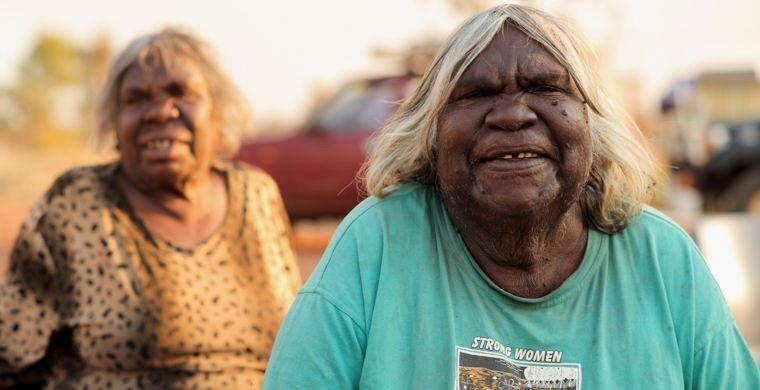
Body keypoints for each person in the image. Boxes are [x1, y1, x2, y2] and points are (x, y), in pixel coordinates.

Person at [263, 4, 760, 389]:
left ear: (591, 123)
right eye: (476, 94)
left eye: (546, 88)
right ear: (432, 135)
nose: (512, 115)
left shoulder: (662, 258)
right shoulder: (377, 244)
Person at [0, 27, 300, 388]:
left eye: (181, 92)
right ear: (113, 122)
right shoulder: (75, 203)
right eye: (136, 99)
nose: (159, 112)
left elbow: (298, 345)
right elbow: (11, 360)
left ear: (218, 111)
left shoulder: (258, 196)